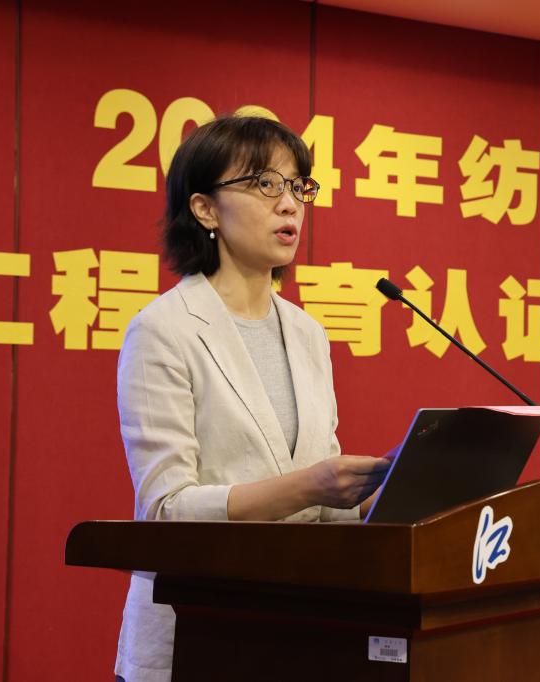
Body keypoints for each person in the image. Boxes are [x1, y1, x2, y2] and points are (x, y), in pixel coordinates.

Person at [113, 115, 390, 682]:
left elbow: (321, 508)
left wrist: (388, 495)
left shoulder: (309, 334)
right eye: (265, 184)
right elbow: (166, 511)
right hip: (198, 633)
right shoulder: (164, 329)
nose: (289, 204)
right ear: (205, 209)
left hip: (300, 632)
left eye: (298, 186)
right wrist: (311, 485)